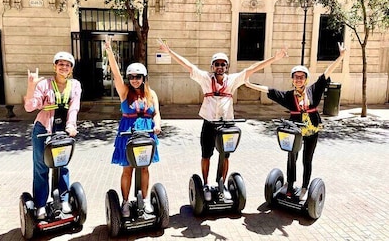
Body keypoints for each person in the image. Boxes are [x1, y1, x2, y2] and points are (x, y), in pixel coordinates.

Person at [158, 38, 287, 201]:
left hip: (227, 125)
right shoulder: (205, 78)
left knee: (225, 156)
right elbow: (188, 66)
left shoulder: (232, 80)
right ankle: (205, 184)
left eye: (223, 64)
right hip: (209, 123)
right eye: (217, 64)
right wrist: (170, 52)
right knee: (206, 155)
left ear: (227, 67)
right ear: (212, 67)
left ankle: (222, 185)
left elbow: (252, 68)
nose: (220, 67)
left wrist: (274, 59)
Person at [245, 42, 346, 200]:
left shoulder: (314, 90)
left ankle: (305, 187)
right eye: (296, 77)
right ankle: (289, 183)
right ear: (292, 79)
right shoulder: (288, 96)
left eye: (302, 77)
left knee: (307, 159)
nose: (299, 79)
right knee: (292, 156)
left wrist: (340, 57)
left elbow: (327, 72)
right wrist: (249, 84)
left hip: (312, 130)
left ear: (306, 79)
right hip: (295, 131)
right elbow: (270, 91)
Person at [105, 37, 162, 218]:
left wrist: (158, 125)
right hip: (127, 134)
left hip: (147, 135)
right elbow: (115, 73)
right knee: (127, 168)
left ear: (144, 77)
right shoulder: (124, 92)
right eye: (132, 77)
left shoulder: (151, 94)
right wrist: (109, 52)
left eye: (138, 77)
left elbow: (156, 114)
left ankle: (144, 201)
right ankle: (125, 202)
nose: (135, 80)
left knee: (144, 168)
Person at [24, 51, 82, 219]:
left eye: (67, 65)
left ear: (71, 69)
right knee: (41, 167)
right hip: (43, 130)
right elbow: (30, 106)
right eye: (60, 64)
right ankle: (41, 204)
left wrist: (71, 126)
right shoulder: (44, 84)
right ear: (55, 66)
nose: (64, 67)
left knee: (62, 165)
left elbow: (74, 108)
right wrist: (31, 85)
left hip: (63, 131)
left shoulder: (75, 85)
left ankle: (64, 199)